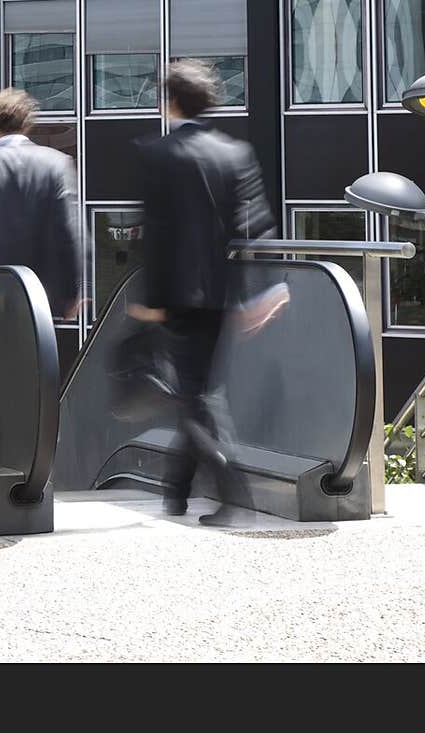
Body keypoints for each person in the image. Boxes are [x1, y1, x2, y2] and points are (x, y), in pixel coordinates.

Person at [132, 60, 283, 527]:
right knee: (198, 388)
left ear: (171, 101)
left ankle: (231, 488)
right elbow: (255, 226)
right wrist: (266, 289)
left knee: (193, 395)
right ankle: (175, 492)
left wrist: (152, 300)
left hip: (177, 295)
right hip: (220, 294)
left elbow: (154, 234)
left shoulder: (157, 154)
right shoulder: (235, 153)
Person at [0, 88, 81, 320]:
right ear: (26, 125)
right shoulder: (58, 163)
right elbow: (70, 232)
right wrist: (71, 293)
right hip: (43, 295)